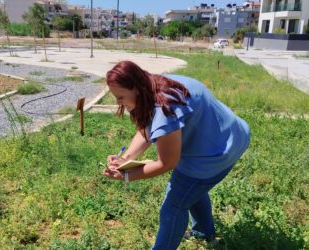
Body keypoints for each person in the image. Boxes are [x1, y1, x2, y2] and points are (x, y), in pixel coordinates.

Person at [103, 60, 250, 249]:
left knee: (172, 208)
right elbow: (147, 128)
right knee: (191, 189)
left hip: (216, 153)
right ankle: (205, 234)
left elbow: (166, 163)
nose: (118, 102)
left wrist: (126, 175)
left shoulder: (164, 109)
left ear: (136, 88)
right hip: (231, 135)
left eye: (120, 97)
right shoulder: (156, 83)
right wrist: (127, 158)